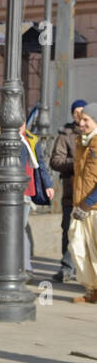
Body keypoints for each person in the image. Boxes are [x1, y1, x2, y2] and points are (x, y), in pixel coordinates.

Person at [49, 98, 86, 284]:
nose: (79, 116)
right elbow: (55, 161)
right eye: (76, 112)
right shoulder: (66, 135)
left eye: (82, 112)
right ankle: (66, 267)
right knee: (68, 229)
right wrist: (77, 163)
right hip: (71, 192)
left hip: (90, 194)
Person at [67, 103, 97, 304]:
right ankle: (92, 289)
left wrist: (88, 203)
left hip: (92, 206)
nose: (82, 122)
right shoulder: (82, 142)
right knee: (79, 247)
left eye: (87, 120)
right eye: (82, 119)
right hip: (81, 204)